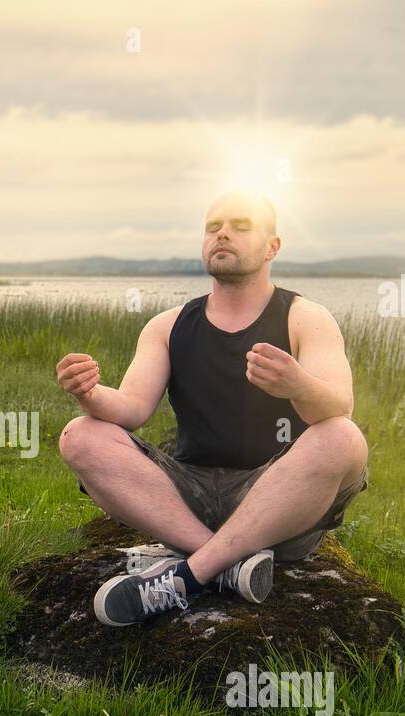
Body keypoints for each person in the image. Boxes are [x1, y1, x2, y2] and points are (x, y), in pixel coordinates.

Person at [55, 191, 370, 626]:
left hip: (278, 504)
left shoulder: (305, 317)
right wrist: (88, 394)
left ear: (272, 247)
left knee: (343, 437)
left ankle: (190, 574)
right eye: (212, 227)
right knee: (80, 434)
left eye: (241, 226)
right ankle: (228, 566)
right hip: (189, 499)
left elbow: (339, 405)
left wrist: (297, 384)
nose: (222, 233)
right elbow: (130, 408)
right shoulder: (167, 326)